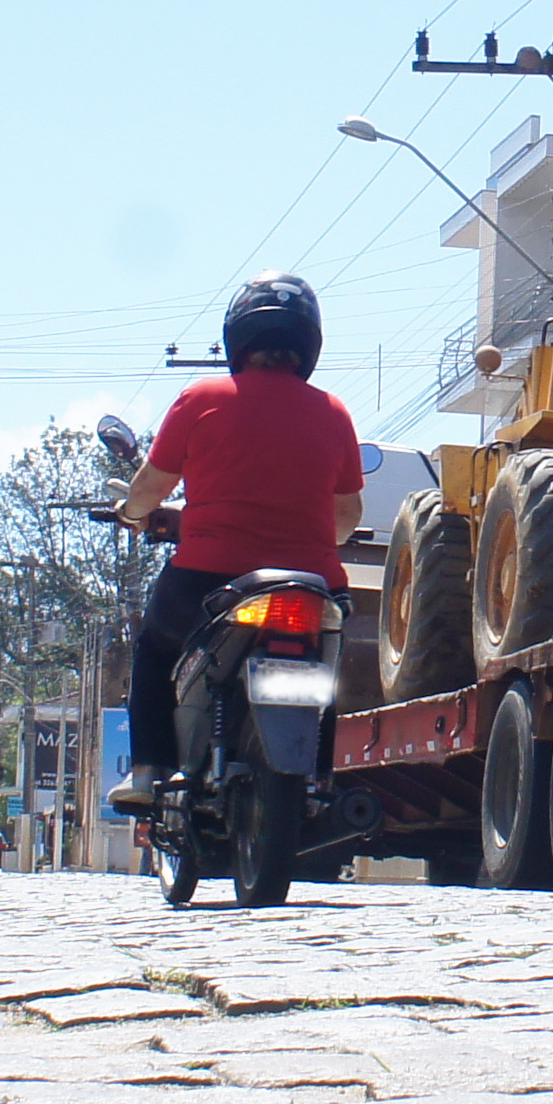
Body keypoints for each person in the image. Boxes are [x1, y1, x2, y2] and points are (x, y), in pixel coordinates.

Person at [110, 273, 362, 815]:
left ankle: (149, 767)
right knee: (321, 676)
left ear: (237, 340)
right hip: (313, 584)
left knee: (154, 650)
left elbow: (151, 489)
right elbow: (347, 517)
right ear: (307, 344)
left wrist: (133, 513)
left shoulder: (201, 398)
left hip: (208, 578)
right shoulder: (334, 412)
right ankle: (317, 780)